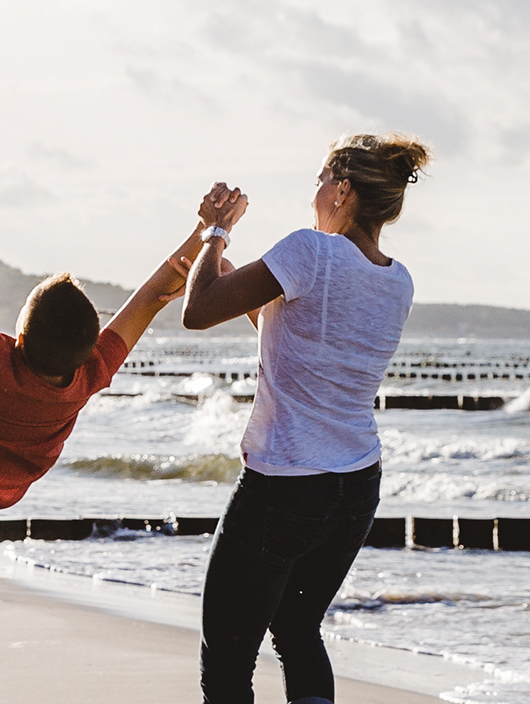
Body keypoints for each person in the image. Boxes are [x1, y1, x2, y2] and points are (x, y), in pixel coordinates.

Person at [175, 133, 430, 704]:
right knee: (295, 630)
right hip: (356, 485)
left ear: (342, 190)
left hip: (285, 486)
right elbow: (296, 343)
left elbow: (197, 311)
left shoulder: (311, 251)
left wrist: (215, 231)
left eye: (321, 179)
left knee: (227, 660)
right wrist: (244, 282)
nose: (313, 192)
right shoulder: (397, 280)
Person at [0, 188, 223, 523]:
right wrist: (210, 231)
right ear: (90, 348)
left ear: (21, 337)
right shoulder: (92, 373)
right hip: (10, 487)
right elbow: (150, 296)